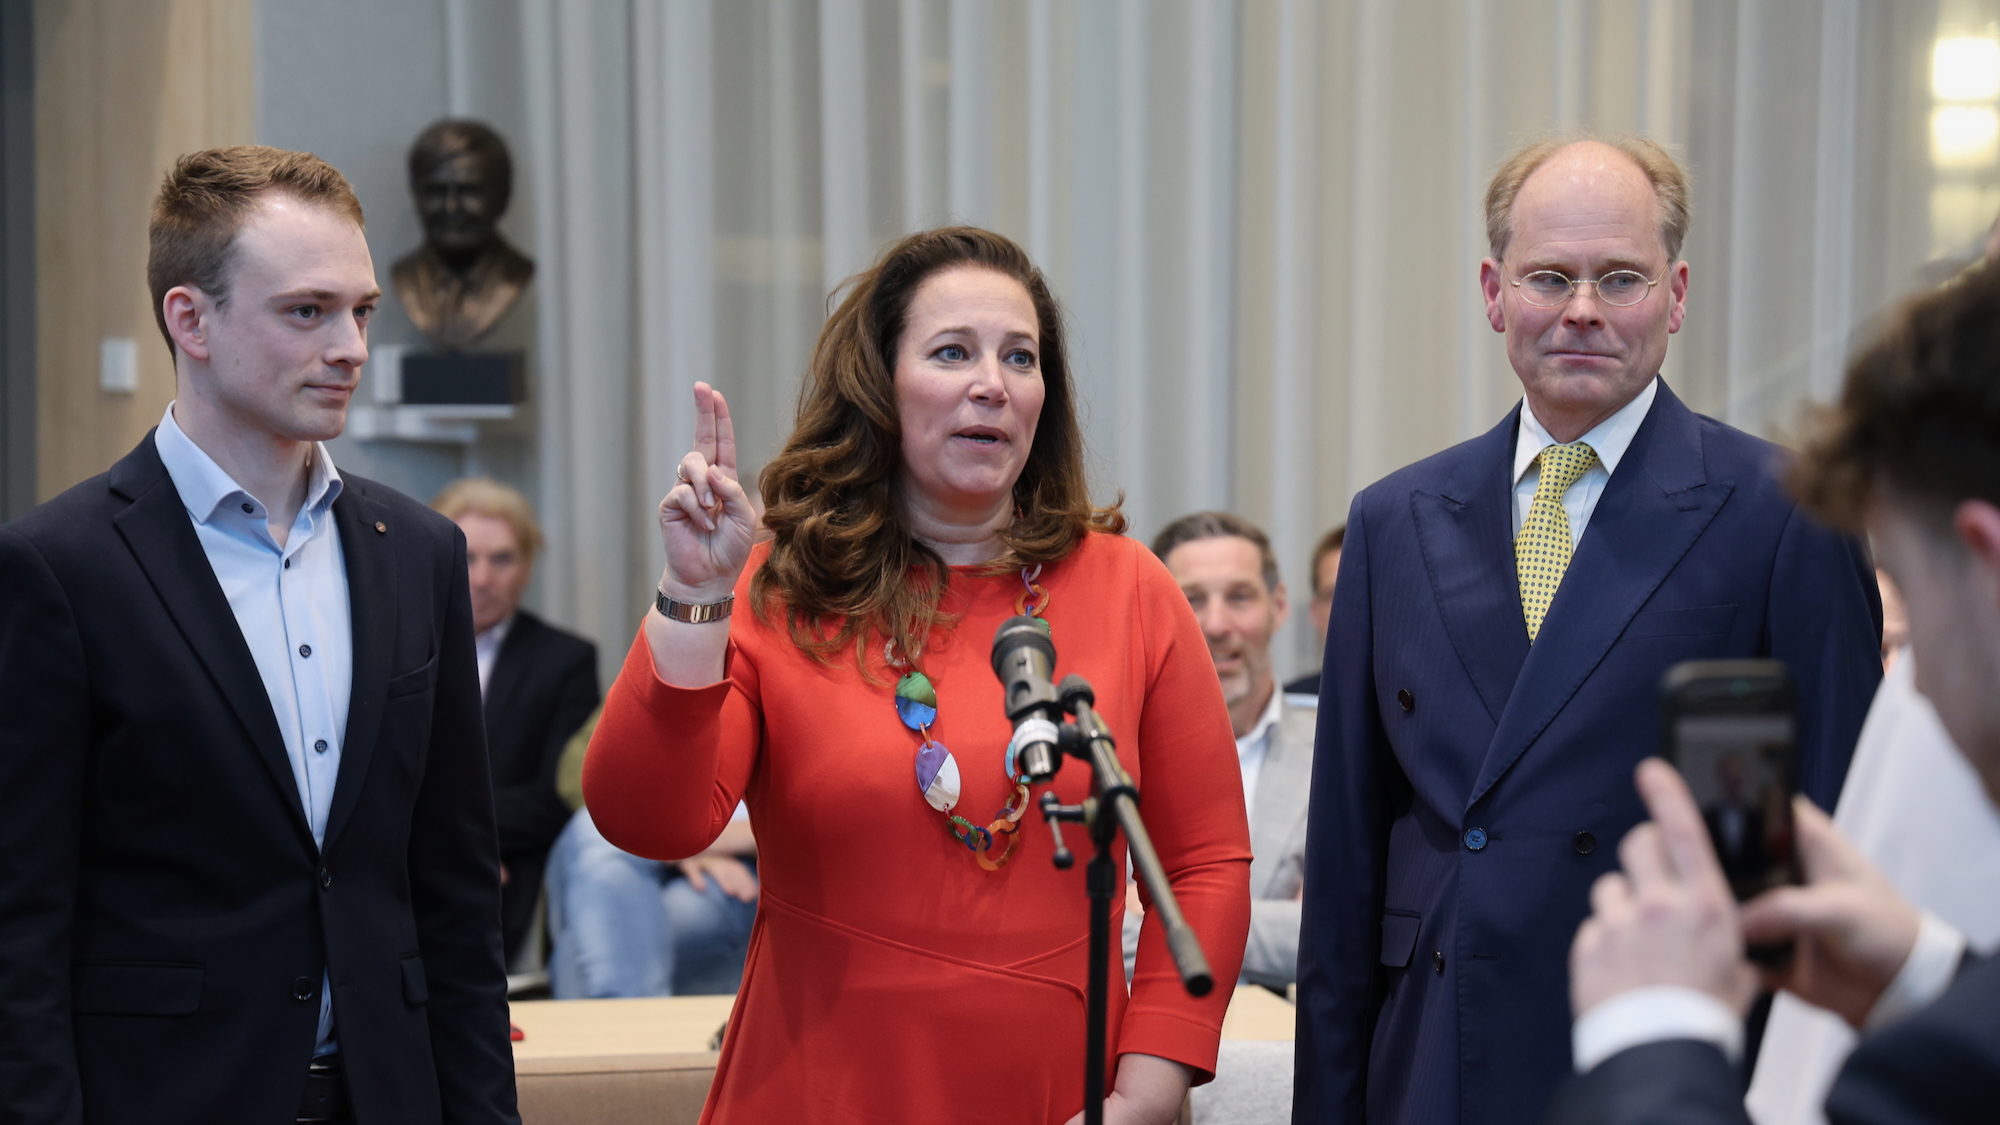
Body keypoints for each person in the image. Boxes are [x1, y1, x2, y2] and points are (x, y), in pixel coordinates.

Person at [582, 226, 1252, 1124]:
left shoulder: (1131, 588)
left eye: (1021, 356)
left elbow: (1202, 864)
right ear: (881, 388)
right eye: (952, 352)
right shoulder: (778, 584)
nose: (993, 382)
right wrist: (694, 595)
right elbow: (650, 821)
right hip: (818, 1086)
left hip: (1060, 1093)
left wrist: (1149, 1085)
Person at [1294, 135, 1883, 1125]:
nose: (1580, 311)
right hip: (1436, 1057)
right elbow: (1346, 879)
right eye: (1547, 277)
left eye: (1618, 278)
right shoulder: (1391, 519)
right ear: (1492, 292)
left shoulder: (1784, 511)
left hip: (1672, 1062)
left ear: (1675, 294)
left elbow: (1831, 839)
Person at [0, 147, 517, 1123]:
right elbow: (19, 924)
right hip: (168, 1096)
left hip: (387, 1095)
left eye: (362, 310)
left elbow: (453, 898)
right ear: (189, 320)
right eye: (307, 311)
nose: (352, 346)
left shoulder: (419, 552)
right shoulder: (57, 568)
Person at [1550, 261, 2000, 1124]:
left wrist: (1655, 1029)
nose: (1922, 688)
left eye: (1908, 592)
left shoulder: (1916, 1081)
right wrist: (1925, 976)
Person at [1134, 511, 1313, 990]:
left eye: (1239, 597)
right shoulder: (1110, 758)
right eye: (1191, 599)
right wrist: (1275, 927)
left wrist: (1165, 917)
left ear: (1278, 606)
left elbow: (1338, 931)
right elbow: (1100, 934)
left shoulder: (1336, 757)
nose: (1215, 624)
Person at [431, 477, 598, 966]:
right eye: (465, 557)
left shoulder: (564, 660)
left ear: (526, 568)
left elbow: (555, 796)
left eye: (501, 559)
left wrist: (459, 840)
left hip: (511, 867)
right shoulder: (391, 647)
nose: (482, 578)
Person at [391, 119, 534, 350]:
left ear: (502, 197)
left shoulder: (514, 276)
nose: (451, 207)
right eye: (436, 192)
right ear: (416, 196)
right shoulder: (405, 278)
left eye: (468, 191)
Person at [1283, 524, 1344, 697]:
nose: (1352, 609)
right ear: (1315, 613)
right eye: (1334, 594)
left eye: (1366, 591)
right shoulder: (1288, 707)